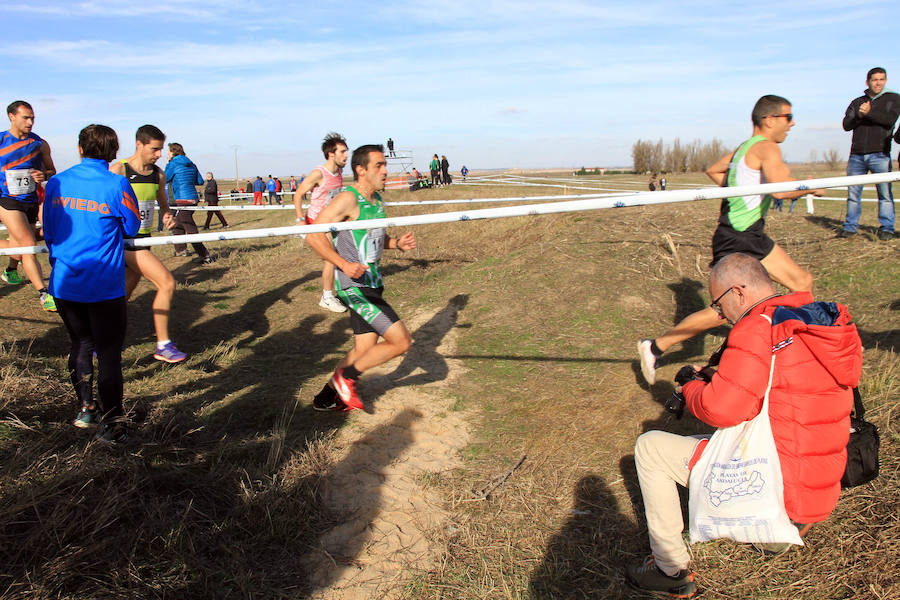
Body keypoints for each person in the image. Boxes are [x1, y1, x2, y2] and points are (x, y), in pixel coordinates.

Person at [625, 253, 861, 598]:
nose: (719, 315)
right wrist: (719, 376)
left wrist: (693, 387)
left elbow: (722, 411)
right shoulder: (811, 319)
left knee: (650, 448)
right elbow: (781, 386)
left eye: (719, 304)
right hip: (818, 486)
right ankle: (782, 526)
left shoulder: (755, 327)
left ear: (739, 291)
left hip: (780, 492)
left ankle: (669, 569)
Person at [638, 94, 824, 385]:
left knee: (802, 283)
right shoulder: (766, 147)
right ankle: (655, 346)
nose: (792, 123)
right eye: (788, 117)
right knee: (721, 313)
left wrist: (742, 191)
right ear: (769, 119)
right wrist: (810, 187)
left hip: (748, 234)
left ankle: (806, 340)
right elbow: (781, 190)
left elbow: (713, 169)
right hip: (740, 237)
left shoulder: (743, 149)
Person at [42, 124, 142, 444]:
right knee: (109, 354)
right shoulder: (117, 183)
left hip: (65, 283)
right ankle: (113, 426)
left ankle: (86, 409)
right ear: (113, 153)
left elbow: (49, 230)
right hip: (104, 286)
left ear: (80, 150)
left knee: (81, 344)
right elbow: (132, 227)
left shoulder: (57, 182)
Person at [305, 144, 416, 411]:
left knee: (363, 350)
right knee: (401, 342)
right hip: (354, 287)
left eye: (385, 165)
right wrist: (343, 263)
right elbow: (313, 235)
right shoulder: (348, 199)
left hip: (373, 283)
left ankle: (326, 398)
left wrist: (395, 244)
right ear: (361, 170)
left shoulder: (377, 200)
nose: (386, 171)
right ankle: (346, 379)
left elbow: (371, 240)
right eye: (379, 165)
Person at [109, 125, 187, 364]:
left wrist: (167, 216)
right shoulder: (119, 170)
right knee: (167, 283)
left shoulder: (158, 174)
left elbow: (163, 204)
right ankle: (163, 345)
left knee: (121, 296)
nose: (158, 154)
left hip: (144, 240)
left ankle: (102, 342)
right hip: (123, 243)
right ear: (139, 145)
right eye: (154, 149)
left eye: (161, 150)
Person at [0, 100, 57, 310]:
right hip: (6, 200)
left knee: (20, 243)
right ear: (11, 116)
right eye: (26, 117)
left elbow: (52, 170)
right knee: (28, 243)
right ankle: (44, 293)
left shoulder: (39, 143)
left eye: (33, 118)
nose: (30, 122)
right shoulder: (1, 140)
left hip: (30, 200)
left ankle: (10, 270)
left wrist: (44, 175)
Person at [839, 67, 900, 239]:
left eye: (881, 79)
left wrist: (869, 113)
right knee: (853, 193)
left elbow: (889, 120)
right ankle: (850, 227)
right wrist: (859, 115)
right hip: (856, 154)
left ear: (885, 81)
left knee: (885, 193)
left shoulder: (893, 99)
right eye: (875, 80)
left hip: (880, 154)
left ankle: (887, 228)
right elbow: (846, 124)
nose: (878, 83)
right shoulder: (858, 101)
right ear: (868, 82)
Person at [293, 132, 350, 313]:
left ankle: (343, 289)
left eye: (346, 151)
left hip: (331, 221)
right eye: (342, 152)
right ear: (331, 154)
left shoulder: (339, 171)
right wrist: (300, 219)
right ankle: (327, 297)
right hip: (315, 223)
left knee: (344, 252)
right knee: (330, 258)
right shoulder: (319, 173)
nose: (346, 155)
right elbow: (298, 194)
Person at [165, 143, 211, 263]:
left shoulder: (173, 164)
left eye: (168, 152)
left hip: (182, 199)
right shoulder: (191, 164)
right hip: (193, 198)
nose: (167, 154)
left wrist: (168, 164)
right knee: (178, 223)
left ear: (173, 152)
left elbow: (165, 178)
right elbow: (200, 181)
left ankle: (205, 255)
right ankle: (181, 250)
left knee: (189, 227)